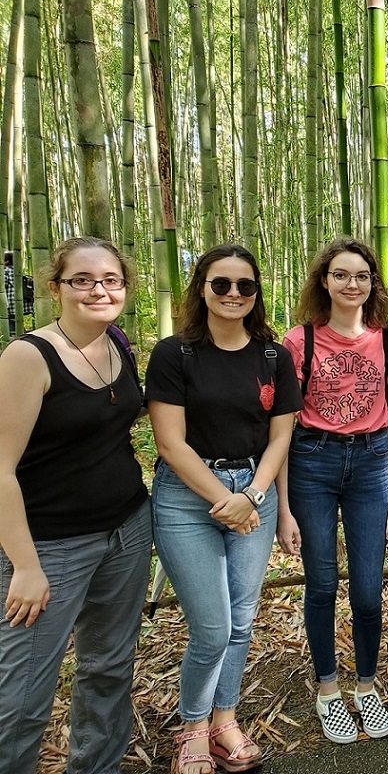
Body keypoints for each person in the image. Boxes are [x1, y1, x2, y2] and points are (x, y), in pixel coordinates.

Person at [146, 244, 302, 774]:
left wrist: (253, 496)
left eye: (245, 286)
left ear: (256, 293)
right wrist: (225, 499)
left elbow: (281, 437)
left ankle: (224, 719)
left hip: (252, 492)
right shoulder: (175, 354)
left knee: (241, 618)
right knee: (212, 626)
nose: (233, 294)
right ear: (202, 289)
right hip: (189, 497)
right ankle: (192, 726)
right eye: (221, 284)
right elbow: (170, 442)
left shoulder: (274, 357)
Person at [0, 237, 152, 774]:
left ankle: (98, 767)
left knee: (109, 667)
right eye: (82, 280)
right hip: (50, 543)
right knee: (22, 688)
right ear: (55, 287)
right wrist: (24, 565)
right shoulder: (28, 356)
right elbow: (0, 468)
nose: (98, 290)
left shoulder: (119, 342)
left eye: (110, 280)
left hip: (127, 530)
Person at [276, 237, 388, 744]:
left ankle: (367, 683)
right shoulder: (298, 341)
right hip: (312, 460)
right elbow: (283, 430)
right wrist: (283, 508)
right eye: (341, 275)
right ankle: (329, 687)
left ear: (372, 283)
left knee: (369, 589)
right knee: (322, 583)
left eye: (361, 276)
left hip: (372, 463)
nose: (351, 284)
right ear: (324, 281)